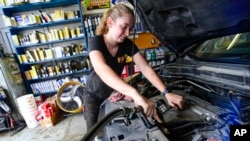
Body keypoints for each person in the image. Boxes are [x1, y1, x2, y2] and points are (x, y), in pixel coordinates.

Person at [83, 3, 185, 132]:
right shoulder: (96, 42)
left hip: (112, 93)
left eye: (130, 29)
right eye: (124, 27)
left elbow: (145, 68)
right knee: (93, 132)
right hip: (93, 96)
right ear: (110, 22)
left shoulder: (126, 44)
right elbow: (102, 70)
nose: (127, 33)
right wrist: (133, 93)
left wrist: (166, 93)